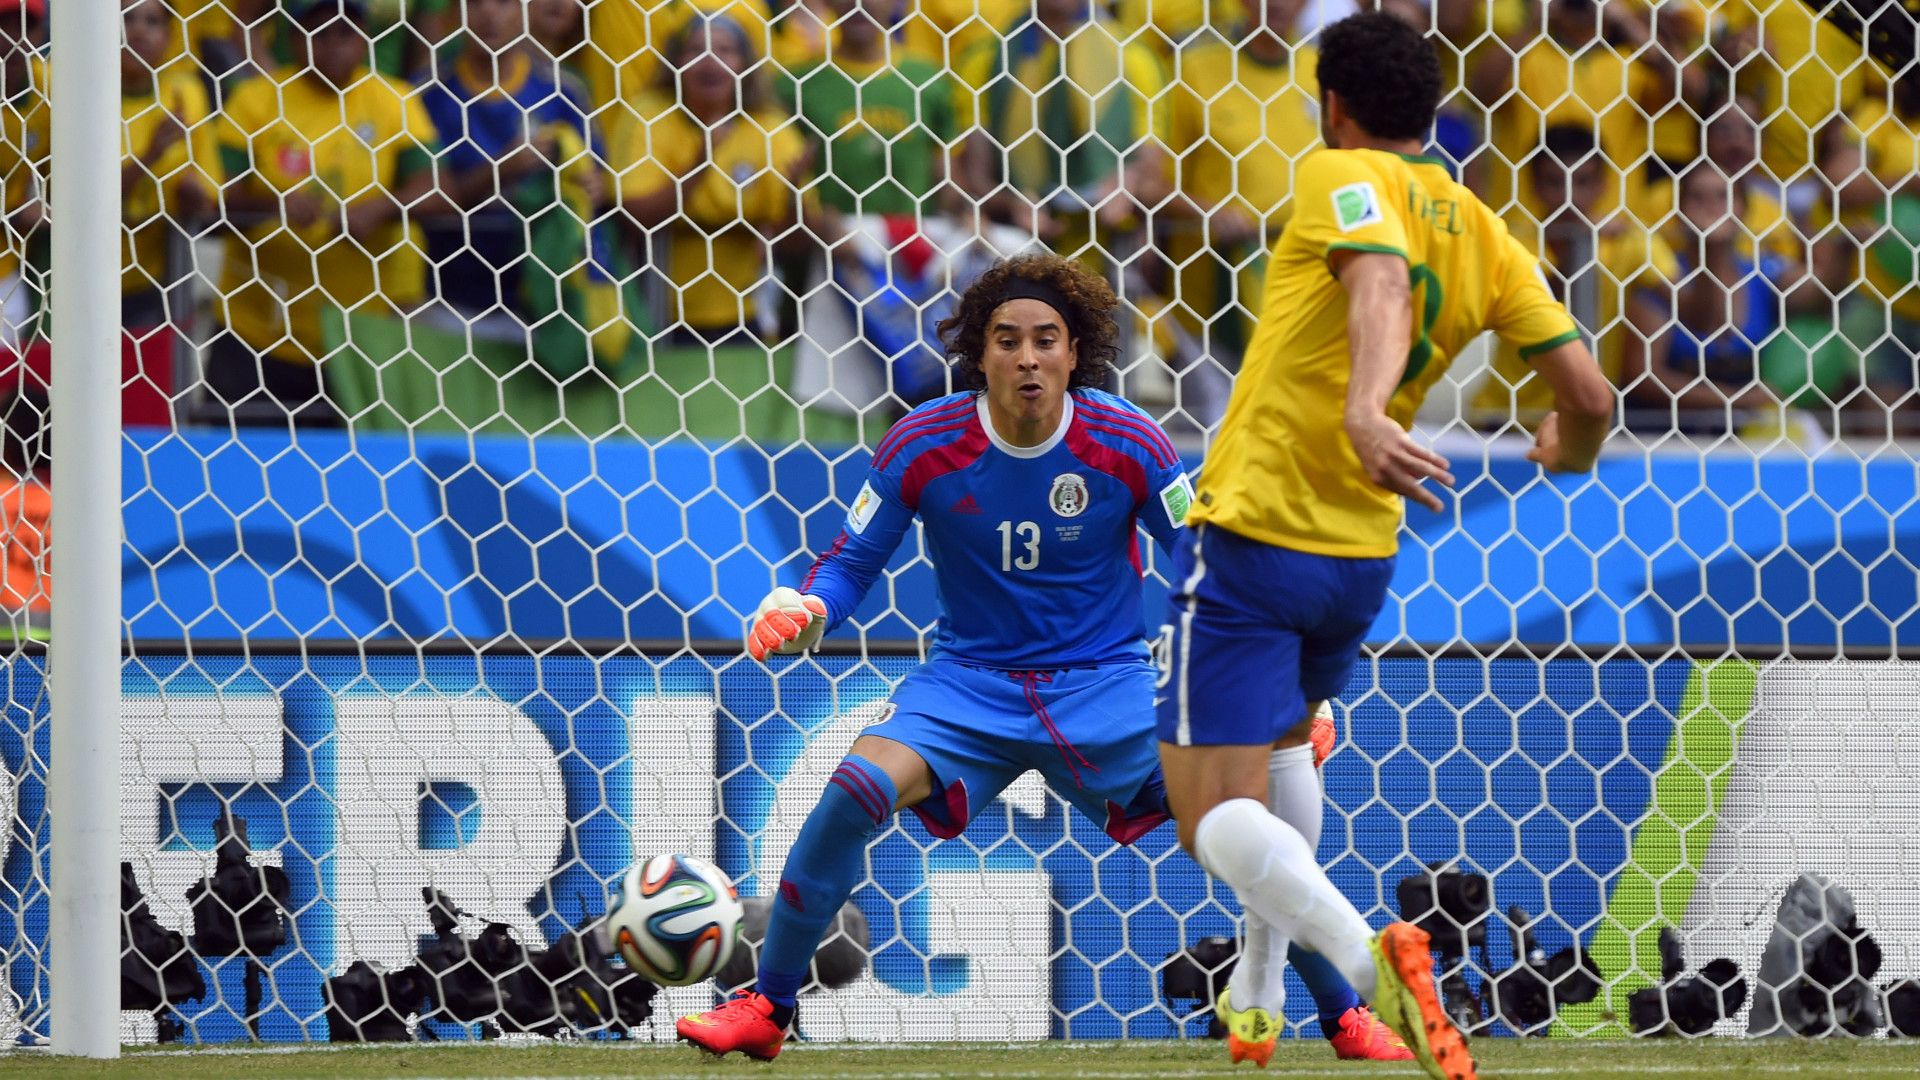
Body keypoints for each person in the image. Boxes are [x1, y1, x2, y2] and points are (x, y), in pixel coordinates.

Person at [1155, 15, 1614, 1080]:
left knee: (1210, 817)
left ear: (1334, 104)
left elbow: (1378, 283)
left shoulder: (1337, 171)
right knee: (1279, 753)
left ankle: (1373, 964)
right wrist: (1572, 450)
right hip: (1361, 557)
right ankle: (1261, 994)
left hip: (1257, 528)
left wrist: (1365, 408)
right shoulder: (1485, 227)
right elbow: (1588, 395)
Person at [208, 0, 439, 425]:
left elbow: (433, 188)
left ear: (365, 40)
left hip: (362, 338)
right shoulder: (254, 100)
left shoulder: (394, 100)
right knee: (235, 468)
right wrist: (275, 205)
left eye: (345, 32)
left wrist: (380, 207)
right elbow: (219, 201)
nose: (332, 45)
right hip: (255, 330)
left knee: (355, 475)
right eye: (319, 31)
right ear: (293, 39)